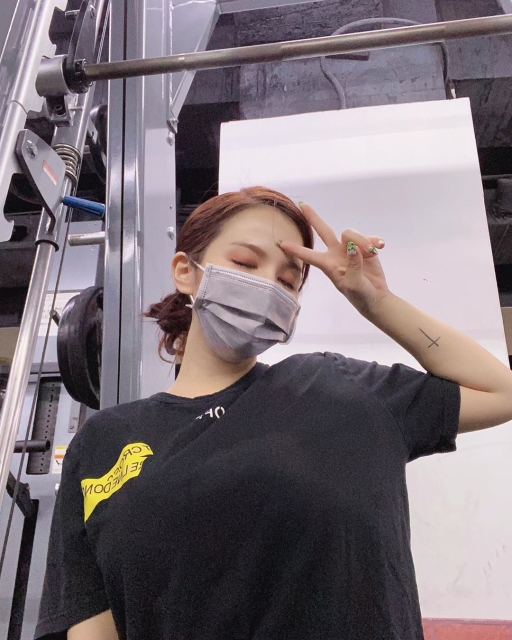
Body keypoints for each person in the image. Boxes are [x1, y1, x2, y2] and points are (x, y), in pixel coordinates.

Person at [35, 186, 512, 640]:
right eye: (244, 263)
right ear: (185, 271)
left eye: (288, 281)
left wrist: (376, 302)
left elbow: (500, 391)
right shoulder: (104, 441)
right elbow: (93, 625)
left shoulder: (339, 389)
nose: (266, 285)